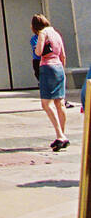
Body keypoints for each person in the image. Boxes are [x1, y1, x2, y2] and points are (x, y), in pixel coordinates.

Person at [31, 13, 69, 151]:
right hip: (59, 67)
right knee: (60, 102)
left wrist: (36, 48)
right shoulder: (56, 33)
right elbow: (63, 55)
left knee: (46, 103)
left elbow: (39, 52)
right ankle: (62, 134)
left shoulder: (42, 34)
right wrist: (62, 70)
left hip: (47, 67)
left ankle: (60, 135)